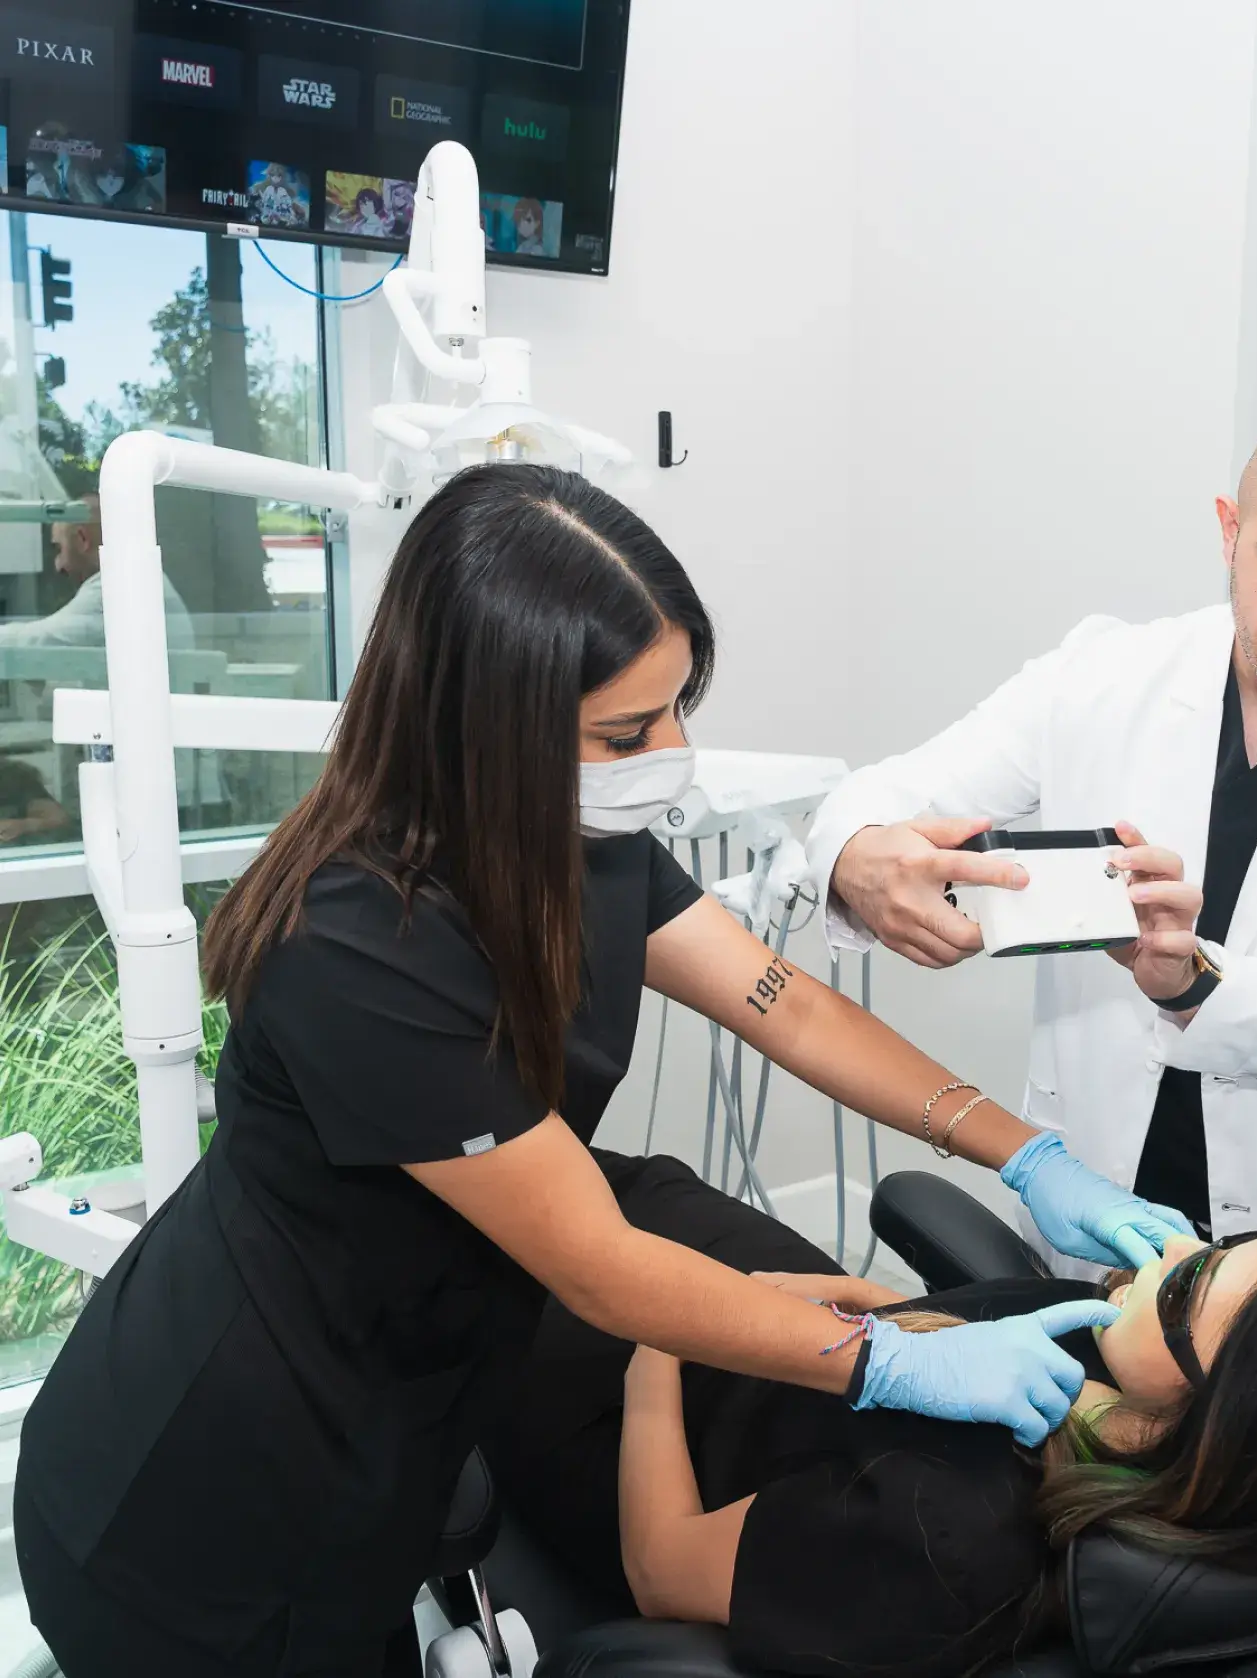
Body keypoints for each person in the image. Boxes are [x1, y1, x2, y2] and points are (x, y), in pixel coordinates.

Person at [14, 464, 1191, 1678]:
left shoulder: (578, 837)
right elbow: (604, 1265)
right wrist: (888, 1356)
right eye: (628, 733)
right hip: (208, 1482)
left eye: (679, 706)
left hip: (406, 1402)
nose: (671, 755)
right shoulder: (364, 939)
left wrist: (1021, 1149)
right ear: (490, 727)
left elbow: (785, 1009)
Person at [807, 385, 1257, 1295]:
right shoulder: (1104, 676)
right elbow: (873, 798)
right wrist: (859, 855)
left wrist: (1195, 984)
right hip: (1094, 1229)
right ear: (1230, 532)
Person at [486, 1170, 1257, 1678]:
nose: (1172, 1249)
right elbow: (935, 1333)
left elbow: (663, 1565)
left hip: (608, 1380)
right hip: (735, 1304)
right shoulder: (1099, 1375)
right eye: (1220, 1242)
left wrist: (661, 1333)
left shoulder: (942, 1539)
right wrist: (860, 1308)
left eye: (1189, 1283)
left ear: (1191, 1431)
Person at [0, 493, 194, 651]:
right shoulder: (138, 577)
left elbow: (38, 641)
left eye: (60, 549)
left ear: (82, 539)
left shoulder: (113, 589)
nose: (58, 566)